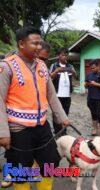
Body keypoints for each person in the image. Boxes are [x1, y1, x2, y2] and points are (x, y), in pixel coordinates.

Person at [0, 26, 70, 190]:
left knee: (50, 162)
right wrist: (3, 133)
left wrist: (62, 118)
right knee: (20, 170)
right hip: (18, 130)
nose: (39, 47)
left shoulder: (42, 66)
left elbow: (51, 95)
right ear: (21, 44)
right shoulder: (6, 67)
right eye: (35, 43)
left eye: (40, 43)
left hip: (42, 126)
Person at [50, 48, 77, 136]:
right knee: (56, 114)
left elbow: (76, 77)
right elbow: (49, 77)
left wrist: (73, 72)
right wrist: (57, 71)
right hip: (57, 94)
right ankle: (57, 131)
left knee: (65, 113)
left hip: (67, 95)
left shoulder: (70, 66)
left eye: (65, 55)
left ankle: (63, 130)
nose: (64, 56)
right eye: (62, 55)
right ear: (58, 56)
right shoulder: (54, 65)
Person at [85, 60, 100, 136]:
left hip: (99, 97)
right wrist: (86, 84)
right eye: (91, 68)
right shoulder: (89, 75)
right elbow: (86, 84)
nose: (92, 69)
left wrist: (95, 84)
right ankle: (95, 129)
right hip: (90, 97)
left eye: (93, 68)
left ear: (98, 66)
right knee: (93, 114)